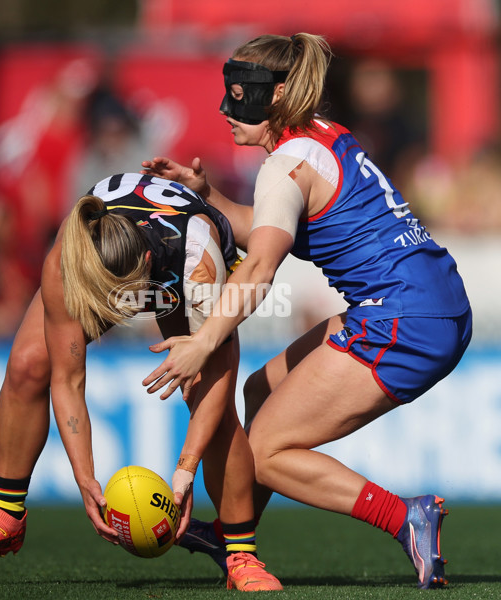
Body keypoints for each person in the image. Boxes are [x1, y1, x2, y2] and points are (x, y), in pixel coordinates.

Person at [140, 33, 472, 590]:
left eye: (241, 96)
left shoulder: (286, 164)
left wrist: (202, 342)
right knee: (257, 392)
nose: (226, 109)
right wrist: (208, 195)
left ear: (279, 95)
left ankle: (406, 517)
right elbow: (273, 223)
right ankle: (231, 533)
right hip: (426, 301)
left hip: (404, 317)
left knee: (266, 451)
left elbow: (261, 268)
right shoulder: (320, 135)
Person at [0, 173, 281, 592]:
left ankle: (240, 552)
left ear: (144, 274)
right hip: (126, 261)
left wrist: (185, 469)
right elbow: (67, 381)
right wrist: (86, 478)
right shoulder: (69, 257)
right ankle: (6, 514)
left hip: (181, 271)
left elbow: (220, 380)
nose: (111, 317)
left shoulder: (198, 264)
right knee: (29, 364)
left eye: (118, 299)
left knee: (209, 402)